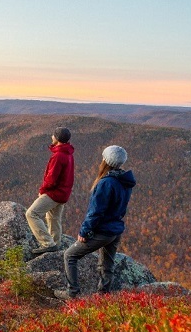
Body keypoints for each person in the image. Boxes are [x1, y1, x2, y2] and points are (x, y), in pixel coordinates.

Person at [56, 145, 136, 299]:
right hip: (115, 229)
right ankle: (103, 294)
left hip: (103, 231)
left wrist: (84, 231)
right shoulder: (125, 181)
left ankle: (72, 292)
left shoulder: (106, 183)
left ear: (105, 161)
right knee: (107, 264)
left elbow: (96, 211)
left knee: (70, 255)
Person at [26, 126, 75, 254]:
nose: (51, 137)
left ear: (57, 138)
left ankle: (47, 243)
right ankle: (55, 245)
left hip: (54, 193)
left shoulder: (58, 156)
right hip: (63, 194)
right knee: (54, 219)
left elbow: (51, 179)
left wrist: (42, 190)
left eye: (53, 135)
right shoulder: (68, 154)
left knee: (32, 214)